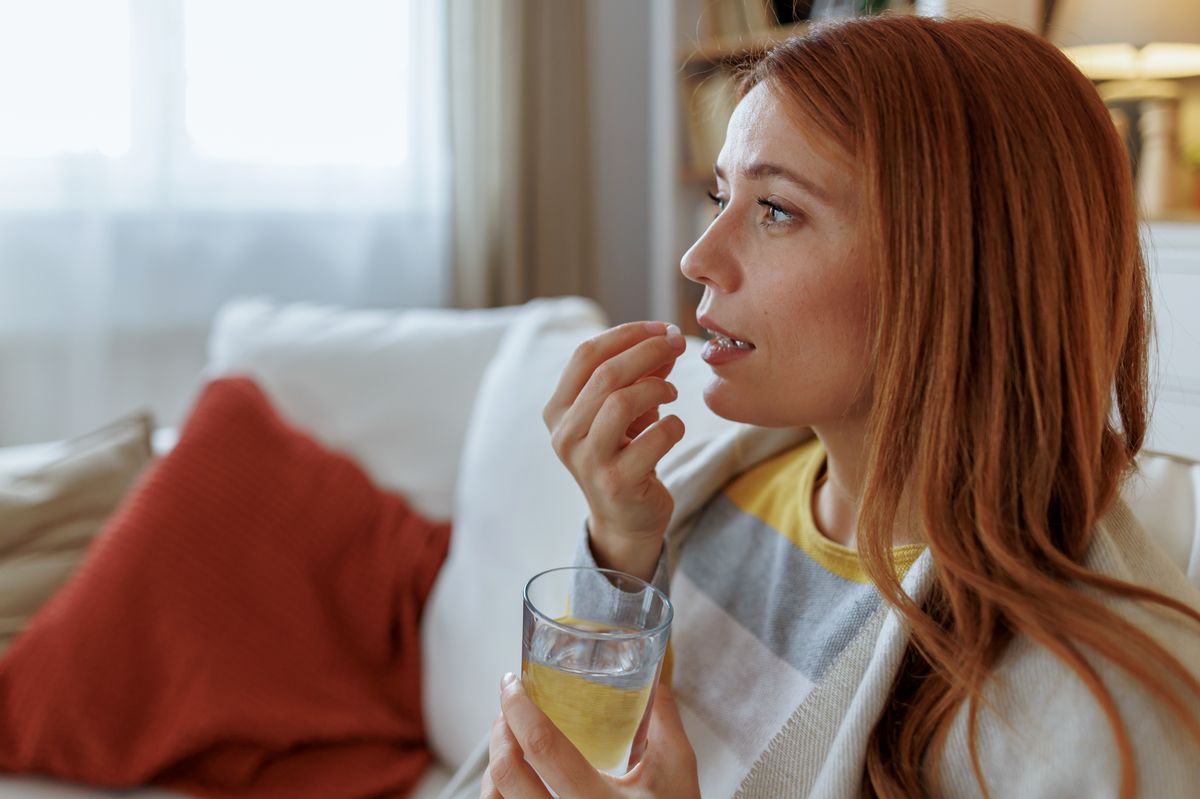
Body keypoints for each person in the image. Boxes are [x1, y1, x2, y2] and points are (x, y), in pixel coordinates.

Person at [478, 13, 1200, 799]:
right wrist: (620, 549)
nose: (697, 257)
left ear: (957, 265)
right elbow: (584, 758)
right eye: (722, 194)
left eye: (775, 210)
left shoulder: (1100, 718)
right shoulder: (709, 511)